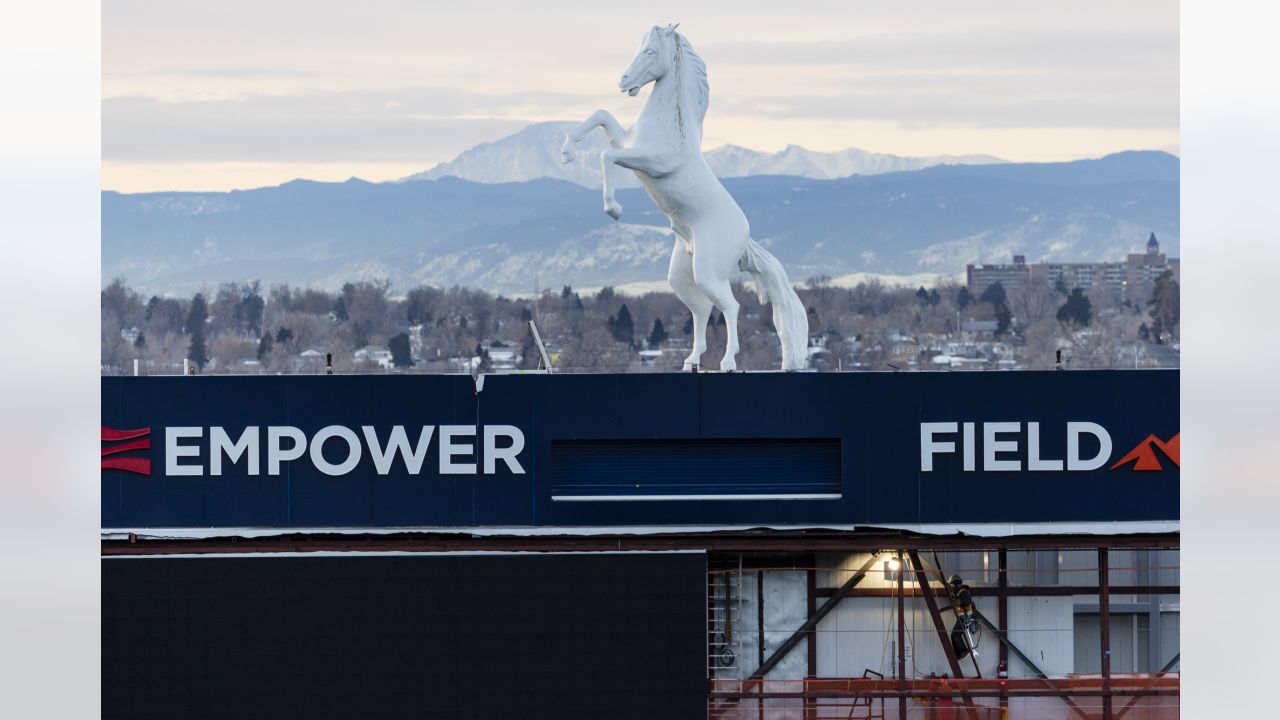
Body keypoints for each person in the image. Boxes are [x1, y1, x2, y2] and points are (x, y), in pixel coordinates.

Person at [948, 575, 977, 661]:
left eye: (952, 585)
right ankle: (960, 652)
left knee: (955, 634)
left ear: (956, 584)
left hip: (965, 617)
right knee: (956, 634)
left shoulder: (964, 592)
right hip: (963, 617)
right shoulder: (959, 593)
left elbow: (961, 602)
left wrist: (954, 599)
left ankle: (962, 651)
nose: (951, 587)